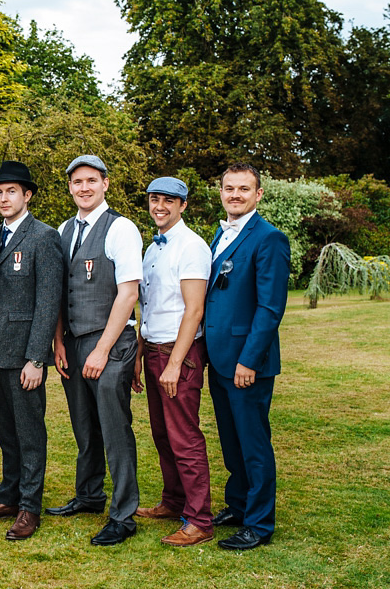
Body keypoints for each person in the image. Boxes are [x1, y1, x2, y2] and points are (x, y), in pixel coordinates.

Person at [47, 154, 143, 546]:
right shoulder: (64, 229)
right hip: (72, 342)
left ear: (105, 183)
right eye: (76, 182)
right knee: (84, 427)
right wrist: (57, 341)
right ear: (69, 187)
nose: (83, 188)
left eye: (90, 180)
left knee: (114, 429)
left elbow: (128, 293)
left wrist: (102, 349)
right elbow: (56, 292)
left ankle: (123, 514)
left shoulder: (121, 229)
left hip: (109, 343)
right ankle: (89, 495)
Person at [0, 161, 62, 541]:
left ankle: (29, 507)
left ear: (27, 195)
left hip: (23, 354)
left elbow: (48, 302)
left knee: (29, 433)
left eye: (11, 191)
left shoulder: (43, 237)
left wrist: (36, 358)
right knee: (6, 432)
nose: (4, 198)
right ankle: (8, 496)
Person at [205, 163, 290, 551]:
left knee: (254, 444)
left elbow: (270, 308)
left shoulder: (269, 238)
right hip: (218, 357)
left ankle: (258, 523)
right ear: (220, 193)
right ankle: (238, 506)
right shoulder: (219, 234)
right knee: (231, 441)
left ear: (258, 194)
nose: (235, 195)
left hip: (245, 363)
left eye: (243, 189)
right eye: (229, 188)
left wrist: (249, 360)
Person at [131, 177, 214, 546]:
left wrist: (175, 363)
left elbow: (194, 310)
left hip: (178, 353)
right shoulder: (153, 248)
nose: (159, 206)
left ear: (183, 205)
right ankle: (173, 500)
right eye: (153, 199)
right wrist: (138, 354)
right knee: (162, 434)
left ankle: (200, 520)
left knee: (185, 437)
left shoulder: (192, 247)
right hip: (152, 348)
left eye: (168, 200)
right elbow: (146, 308)